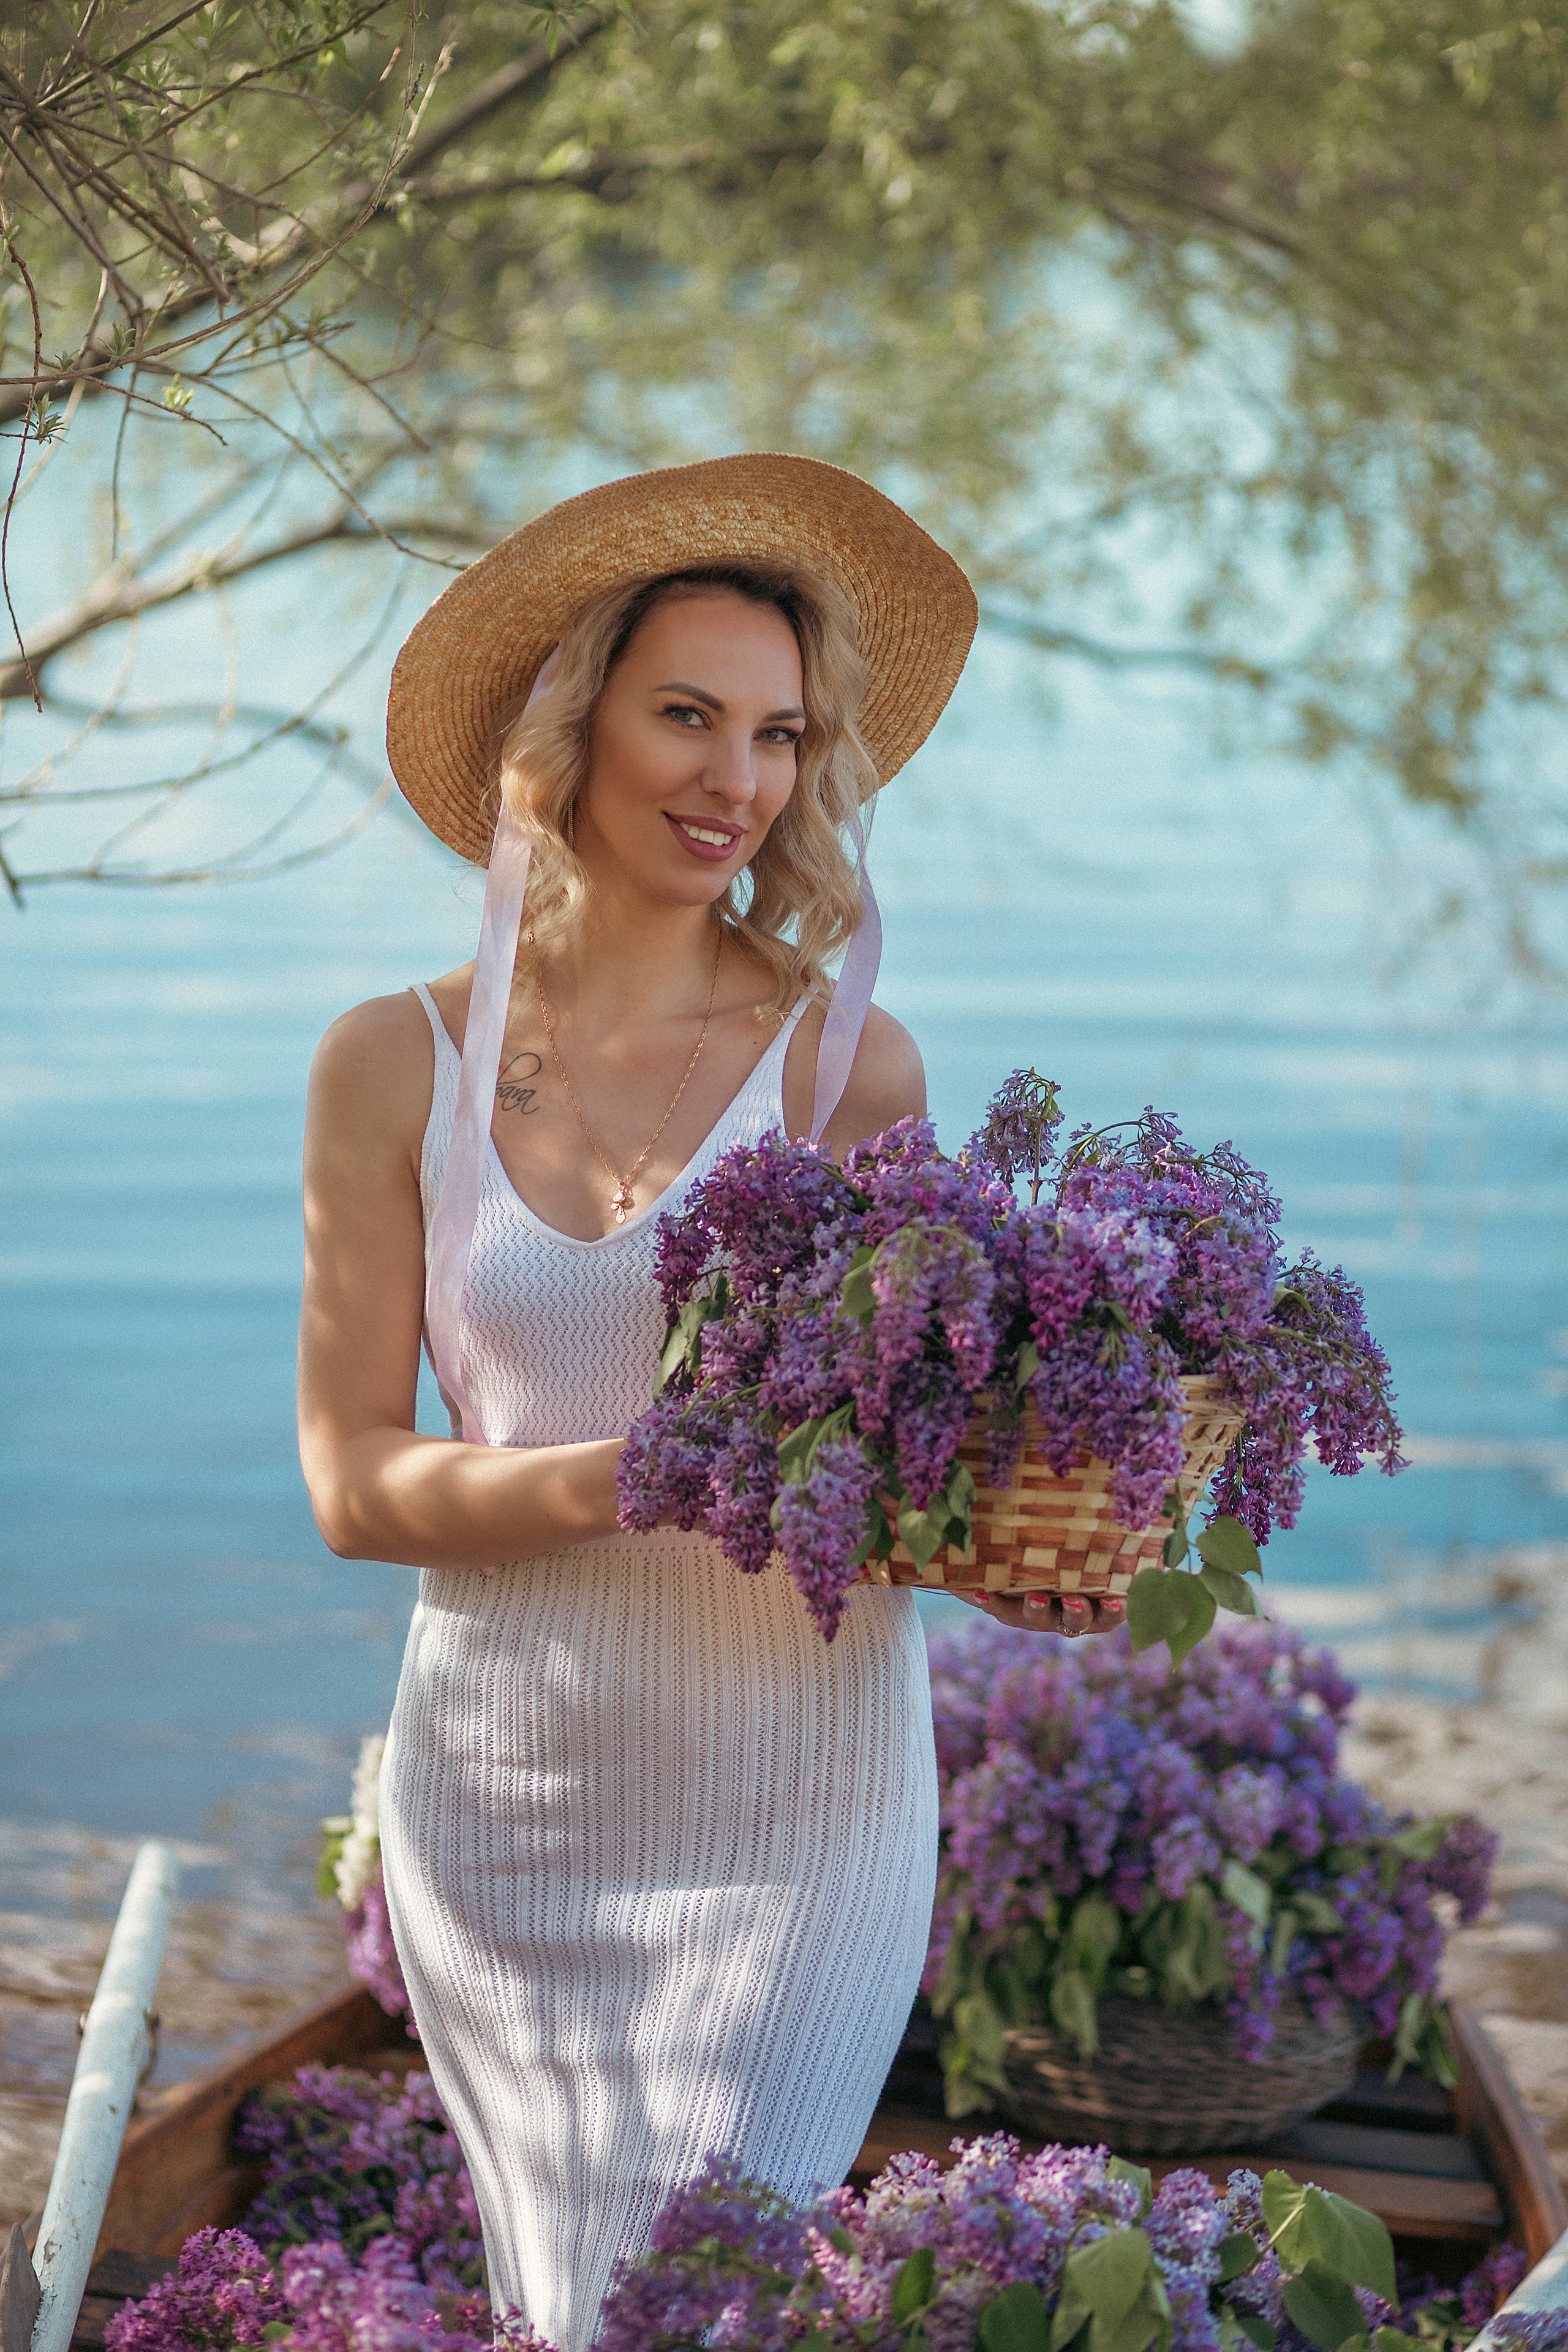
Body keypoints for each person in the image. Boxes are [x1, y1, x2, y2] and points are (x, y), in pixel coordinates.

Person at [296, 454, 1121, 2352]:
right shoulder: (391, 1063)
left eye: (777, 733)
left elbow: (913, 1455)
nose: (733, 779)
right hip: (509, 1796)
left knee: (698, 2305)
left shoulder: (848, 1066)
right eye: (686, 714)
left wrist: (1016, 1561)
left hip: (794, 1803)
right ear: (575, 720)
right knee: (571, 2305)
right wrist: (641, 1475)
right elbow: (351, 1482)